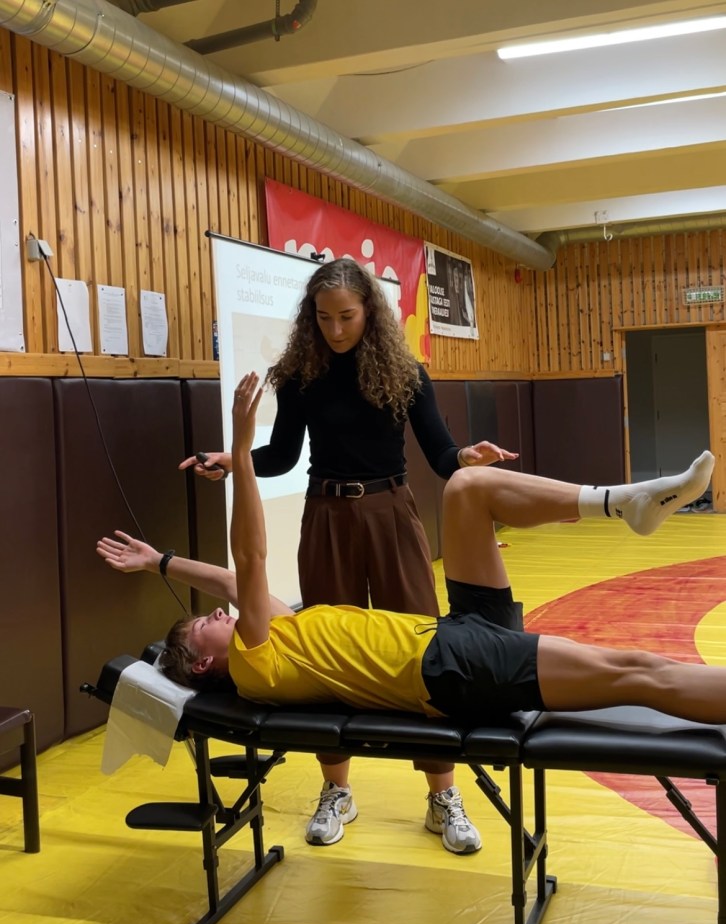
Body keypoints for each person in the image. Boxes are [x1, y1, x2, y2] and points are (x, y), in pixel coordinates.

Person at [98, 375, 725, 802]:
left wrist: (160, 562)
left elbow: (231, 580)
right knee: (638, 671)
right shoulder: (256, 666)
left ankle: (621, 501)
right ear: (205, 662)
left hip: (452, 638)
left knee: (468, 488)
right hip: (455, 670)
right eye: (204, 624)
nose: (217, 612)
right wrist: (241, 446)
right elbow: (250, 559)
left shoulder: (278, 635)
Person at [179, 258, 518, 855]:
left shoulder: (405, 373)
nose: (335, 329)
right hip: (327, 516)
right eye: (323, 317)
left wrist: (467, 457)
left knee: (421, 647)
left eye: (347, 317)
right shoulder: (300, 375)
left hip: (391, 512)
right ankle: (336, 789)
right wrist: (233, 460)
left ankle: (442, 794)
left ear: (370, 313)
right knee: (323, 651)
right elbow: (283, 456)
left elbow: (441, 454)